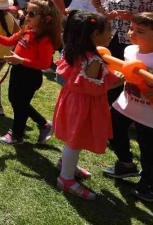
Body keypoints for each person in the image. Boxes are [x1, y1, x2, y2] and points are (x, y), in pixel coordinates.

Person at [105, 13, 153, 202]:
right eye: (131, 29)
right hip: (126, 104)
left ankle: (149, 184)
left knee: (152, 151)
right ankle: (126, 165)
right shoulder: (129, 51)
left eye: (140, 31)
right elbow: (126, 72)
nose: (131, 33)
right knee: (111, 130)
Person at [52, 11, 116, 200]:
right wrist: (118, 80)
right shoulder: (93, 60)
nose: (111, 34)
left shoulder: (74, 51)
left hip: (72, 100)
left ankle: (66, 163)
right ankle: (66, 178)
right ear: (95, 34)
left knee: (73, 137)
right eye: (109, 30)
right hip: (84, 105)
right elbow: (93, 88)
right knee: (76, 140)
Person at [0, 0, 62, 145]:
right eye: (26, 12)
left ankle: (16, 135)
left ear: (47, 18)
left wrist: (20, 60)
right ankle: (44, 124)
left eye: (32, 14)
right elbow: (10, 40)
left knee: (20, 104)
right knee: (16, 101)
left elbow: (45, 64)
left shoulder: (45, 39)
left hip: (30, 76)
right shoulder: (27, 29)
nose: (27, 16)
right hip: (18, 70)